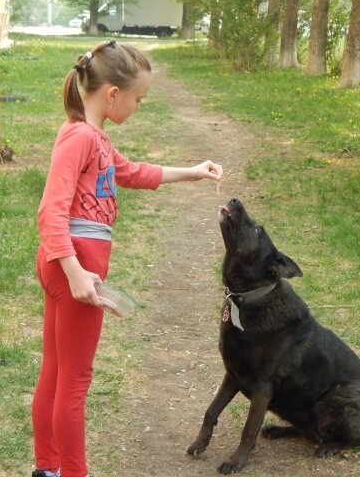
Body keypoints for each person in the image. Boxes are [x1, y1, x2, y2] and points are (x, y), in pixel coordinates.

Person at [31, 41, 223, 477]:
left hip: (71, 266)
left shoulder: (94, 137)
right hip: (74, 267)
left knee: (58, 369)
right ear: (113, 94)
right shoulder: (80, 136)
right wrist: (77, 271)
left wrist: (192, 171)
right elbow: (50, 212)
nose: (139, 107)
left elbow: (132, 172)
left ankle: (48, 469)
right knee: (73, 379)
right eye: (138, 99)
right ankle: (69, 472)